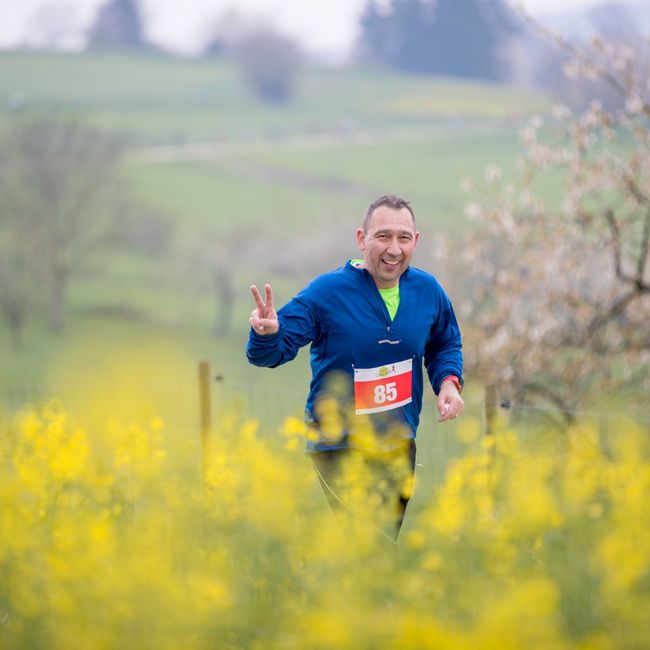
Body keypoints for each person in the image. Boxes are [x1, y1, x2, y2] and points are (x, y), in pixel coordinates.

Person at [246, 194, 464, 540]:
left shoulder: (427, 291)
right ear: (362, 239)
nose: (394, 249)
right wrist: (266, 333)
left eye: (403, 238)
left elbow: (444, 342)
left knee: (380, 547)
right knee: (366, 545)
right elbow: (271, 352)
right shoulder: (327, 293)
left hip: (399, 444)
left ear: (416, 242)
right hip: (338, 445)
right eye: (383, 236)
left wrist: (449, 382)